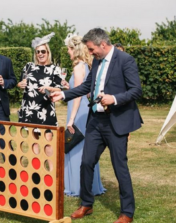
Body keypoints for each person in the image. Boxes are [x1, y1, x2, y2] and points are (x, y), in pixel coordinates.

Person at [51, 28, 143, 223]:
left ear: (102, 44)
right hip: (96, 121)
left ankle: (127, 213)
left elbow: (136, 90)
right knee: (86, 163)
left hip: (116, 122)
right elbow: (87, 86)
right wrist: (64, 94)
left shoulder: (125, 60)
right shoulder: (97, 61)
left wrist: (114, 98)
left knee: (120, 168)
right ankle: (86, 204)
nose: (90, 53)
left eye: (92, 49)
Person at [62, 33, 106, 197]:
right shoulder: (86, 66)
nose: (68, 52)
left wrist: (71, 119)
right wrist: (69, 86)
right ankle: (88, 185)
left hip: (78, 112)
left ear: (74, 49)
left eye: (68, 48)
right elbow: (82, 90)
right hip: (84, 111)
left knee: (76, 146)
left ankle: (77, 187)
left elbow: (79, 96)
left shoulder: (79, 67)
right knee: (86, 148)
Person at [17, 32, 63, 126]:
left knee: (47, 140)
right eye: (38, 52)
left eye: (43, 51)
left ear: (48, 52)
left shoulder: (55, 69)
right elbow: (21, 83)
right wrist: (20, 84)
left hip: (46, 110)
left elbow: (59, 88)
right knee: (32, 141)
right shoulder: (28, 67)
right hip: (29, 110)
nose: (40, 54)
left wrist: (49, 88)